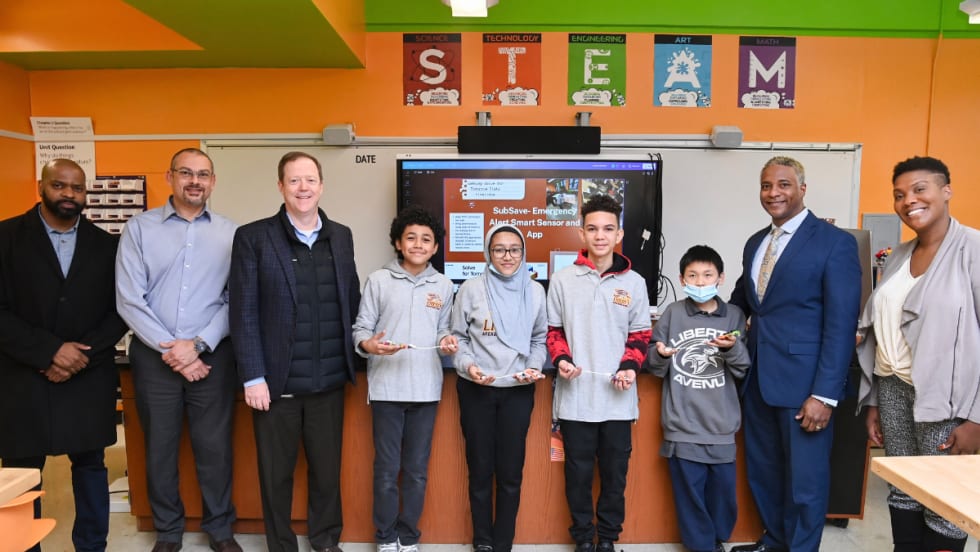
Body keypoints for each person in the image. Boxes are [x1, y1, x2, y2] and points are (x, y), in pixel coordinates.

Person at [229, 151, 361, 552]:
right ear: (280, 186)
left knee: (327, 473)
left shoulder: (341, 236)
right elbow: (243, 311)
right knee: (276, 476)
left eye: (310, 180)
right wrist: (253, 376)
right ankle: (281, 545)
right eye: (294, 181)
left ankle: (326, 541)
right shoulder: (254, 237)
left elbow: (351, 300)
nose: (303, 188)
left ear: (321, 185)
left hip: (329, 381)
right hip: (275, 384)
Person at [729, 156, 861, 552]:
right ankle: (775, 541)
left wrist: (825, 395)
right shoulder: (756, 242)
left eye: (783, 184)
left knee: (805, 481)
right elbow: (744, 303)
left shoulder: (834, 243)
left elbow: (841, 325)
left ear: (803, 189)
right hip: (758, 381)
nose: (774, 193)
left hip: (805, 387)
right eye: (766, 185)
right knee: (765, 472)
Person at [116, 148, 241, 552]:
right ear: (169, 176)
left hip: (212, 357)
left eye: (203, 174)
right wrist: (174, 351)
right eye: (186, 173)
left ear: (213, 181)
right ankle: (168, 532)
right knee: (159, 449)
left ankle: (220, 530)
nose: (194, 181)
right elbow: (129, 299)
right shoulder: (139, 229)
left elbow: (235, 299)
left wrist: (198, 345)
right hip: (154, 358)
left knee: (215, 449)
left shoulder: (231, 233)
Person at [0, 159, 127, 552]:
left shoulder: (107, 245)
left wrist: (79, 356)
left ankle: (92, 545)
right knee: (22, 472)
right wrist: (50, 351)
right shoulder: (6, 237)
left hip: (87, 375)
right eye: (60, 185)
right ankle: (22, 546)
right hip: (24, 375)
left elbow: (121, 310)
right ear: (41, 186)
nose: (69, 194)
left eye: (77, 187)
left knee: (90, 467)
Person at [857, 156, 980, 552]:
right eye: (899, 194)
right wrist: (875, 400)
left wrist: (977, 418)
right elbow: (884, 332)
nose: (908, 200)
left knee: (945, 498)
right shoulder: (899, 255)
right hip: (893, 388)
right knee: (904, 488)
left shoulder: (973, 249)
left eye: (919, 189)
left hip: (948, 400)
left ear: (946, 191)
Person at [546, 194, 651, 552]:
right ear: (582, 233)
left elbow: (640, 335)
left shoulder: (635, 282)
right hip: (576, 400)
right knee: (576, 476)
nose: (600, 236)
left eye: (608, 229)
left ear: (619, 234)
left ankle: (607, 539)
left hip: (618, 401)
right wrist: (561, 359)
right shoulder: (562, 280)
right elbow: (553, 332)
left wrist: (629, 367)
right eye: (592, 229)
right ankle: (582, 539)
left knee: (614, 476)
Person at [352, 205, 458, 552]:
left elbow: (444, 330)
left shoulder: (444, 285)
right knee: (386, 470)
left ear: (435, 247)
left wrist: (447, 340)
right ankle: (385, 537)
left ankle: (408, 537)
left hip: (426, 390)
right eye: (411, 238)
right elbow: (361, 328)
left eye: (426, 239)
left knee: (416, 471)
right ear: (398, 242)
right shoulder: (379, 280)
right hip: (386, 389)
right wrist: (368, 345)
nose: (418, 244)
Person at [451, 224, 548, 552]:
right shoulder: (471, 289)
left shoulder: (535, 292)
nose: (507, 256)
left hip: (517, 390)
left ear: (523, 253)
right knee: (480, 470)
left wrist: (533, 366)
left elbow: (539, 339)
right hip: (476, 389)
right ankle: (482, 542)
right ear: (488, 253)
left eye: (514, 249)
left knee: (510, 473)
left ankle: (503, 543)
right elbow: (458, 338)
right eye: (499, 249)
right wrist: (469, 366)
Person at [648, 245, 750, 552]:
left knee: (723, 495)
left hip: (721, 426)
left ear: (721, 278)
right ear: (681, 279)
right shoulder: (673, 313)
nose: (701, 282)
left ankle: (716, 540)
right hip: (682, 424)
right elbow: (654, 366)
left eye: (707, 275)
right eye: (692, 276)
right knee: (689, 497)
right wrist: (661, 354)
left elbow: (743, 369)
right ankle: (702, 547)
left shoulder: (733, 315)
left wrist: (731, 348)